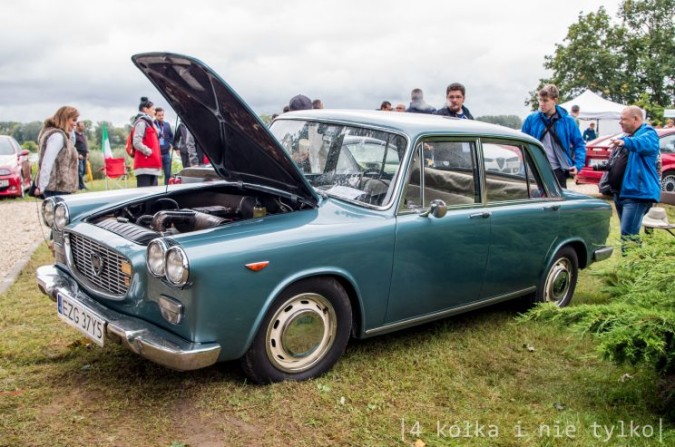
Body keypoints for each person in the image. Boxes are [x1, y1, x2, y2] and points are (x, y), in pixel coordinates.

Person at [598, 106, 660, 249]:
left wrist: (625, 142)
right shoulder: (628, 136)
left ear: (635, 119)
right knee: (629, 234)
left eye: (623, 119)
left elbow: (642, 144)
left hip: (637, 194)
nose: (620, 122)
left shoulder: (649, 134)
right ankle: (637, 260)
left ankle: (634, 262)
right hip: (621, 193)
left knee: (628, 236)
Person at [521, 84, 586, 188]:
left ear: (555, 101)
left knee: (558, 199)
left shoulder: (568, 121)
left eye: (545, 100)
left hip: (558, 172)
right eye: (540, 100)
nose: (541, 104)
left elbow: (580, 145)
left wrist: (578, 165)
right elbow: (522, 143)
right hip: (534, 170)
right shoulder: (531, 119)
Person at [35, 106, 80, 198]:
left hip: (59, 188)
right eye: (73, 120)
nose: (75, 124)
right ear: (65, 119)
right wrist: (41, 186)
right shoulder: (57, 137)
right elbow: (47, 162)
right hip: (57, 188)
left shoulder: (60, 135)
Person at [132, 97, 162, 187]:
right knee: (145, 193)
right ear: (145, 109)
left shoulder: (149, 123)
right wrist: (149, 152)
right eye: (153, 109)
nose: (154, 112)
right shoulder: (141, 123)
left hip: (152, 165)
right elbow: (136, 142)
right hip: (144, 167)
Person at [154, 107, 174, 185]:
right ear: (155, 115)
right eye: (159, 115)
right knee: (155, 175)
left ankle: (166, 188)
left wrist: (170, 144)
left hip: (166, 153)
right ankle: (155, 189)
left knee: (168, 173)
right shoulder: (152, 125)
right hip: (156, 154)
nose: (161, 117)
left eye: (162, 115)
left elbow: (171, 136)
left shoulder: (167, 125)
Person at [74, 120, 89, 190]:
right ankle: (81, 186)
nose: (83, 127)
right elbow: (73, 146)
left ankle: (79, 185)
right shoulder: (74, 135)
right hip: (79, 156)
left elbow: (85, 145)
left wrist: (87, 152)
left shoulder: (83, 135)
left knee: (83, 171)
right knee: (80, 171)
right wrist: (77, 154)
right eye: (81, 126)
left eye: (83, 126)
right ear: (77, 127)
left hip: (84, 156)